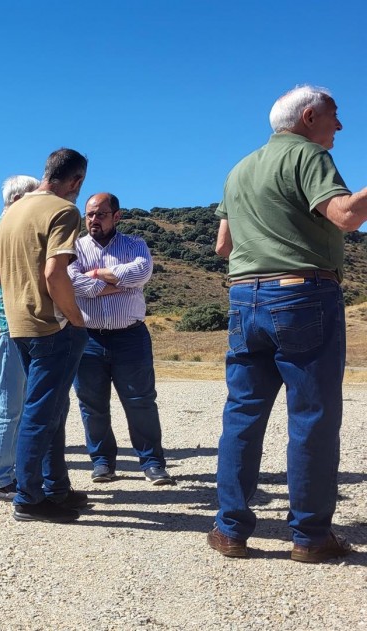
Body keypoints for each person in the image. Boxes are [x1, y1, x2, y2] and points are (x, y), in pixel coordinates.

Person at [209, 85, 366, 563]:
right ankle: (310, 536)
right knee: (312, 417)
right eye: (334, 116)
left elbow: (222, 248)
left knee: (242, 414)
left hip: (243, 298)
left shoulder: (238, 170)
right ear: (309, 116)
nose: (339, 126)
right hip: (302, 295)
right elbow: (344, 217)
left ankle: (230, 530)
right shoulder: (307, 156)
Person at [0, 148, 90, 523]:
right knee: (40, 413)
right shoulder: (64, 211)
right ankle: (29, 499)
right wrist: (75, 318)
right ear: (76, 180)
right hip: (53, 326)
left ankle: (55, 488)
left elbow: (0, 274)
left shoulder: (11, 213)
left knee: (52, 409)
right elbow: (54, 274)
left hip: (20, 324)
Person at [68, 192, 174, 486]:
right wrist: (118, 284)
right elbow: (74, 282)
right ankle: (102, 462)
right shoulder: (74, 247)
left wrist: (99, 273)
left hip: (130, 337)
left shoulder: (135, 244)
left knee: (140, 401)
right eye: (89, 214)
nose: (93, 220)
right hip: (88, 339)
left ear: (117, 216)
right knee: (92, 405)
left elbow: (141, 271)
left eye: (100, 214)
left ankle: (152, 463)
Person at [0, 175, 39, 500]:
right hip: (4, 325)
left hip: (18, 325)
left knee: (21, 402)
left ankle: (9, 472)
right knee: (9, 404)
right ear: (17, 200)